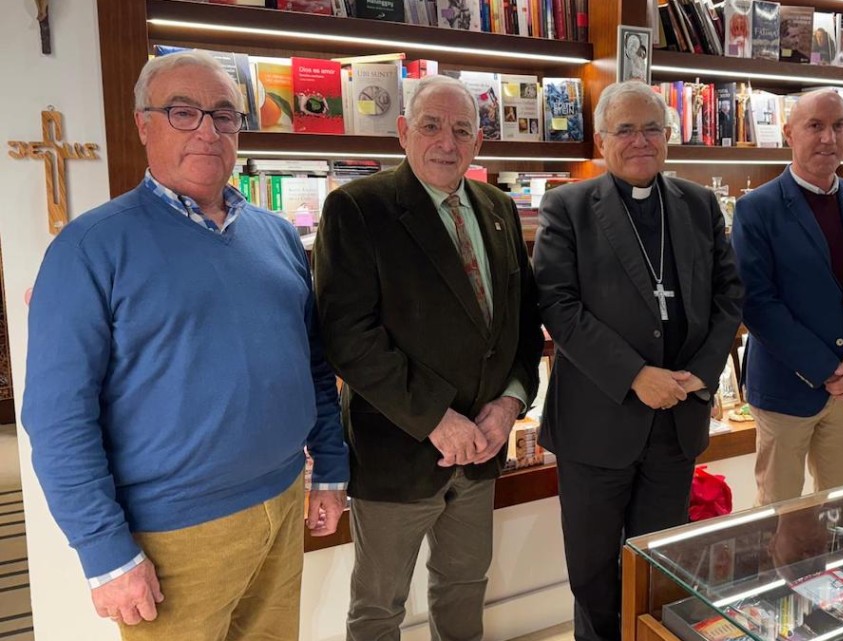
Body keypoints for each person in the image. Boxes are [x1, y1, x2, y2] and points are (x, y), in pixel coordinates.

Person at [21, 50, 349, 639]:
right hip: (173, 537)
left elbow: (312, 366)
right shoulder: (90, 247)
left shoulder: (274, 234)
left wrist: (329, 467)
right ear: (143, 125)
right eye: (182, 112)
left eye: (224, 115)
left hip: (282, 502)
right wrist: (106, 555)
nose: (207, 129)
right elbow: (57, 418)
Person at [312, 74, 543, 641]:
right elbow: (348, 336)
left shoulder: (498, 208)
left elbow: (521, 325)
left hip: (483, 449)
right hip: (398, 451)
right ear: (402, 133)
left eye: (462, 129)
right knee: (378, 606)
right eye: (431, 126)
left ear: (479, 142)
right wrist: (438, 420)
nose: (447, 141)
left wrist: (510, 404)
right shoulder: (356, 209)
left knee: (464, 586)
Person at [532, 80, 743, 641]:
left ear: (669, 137)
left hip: (676, 421)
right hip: (597, 424)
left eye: (652, 128)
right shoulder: (567, 206)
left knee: (659, 567)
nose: (640, 140)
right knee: (595, 574)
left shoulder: (697, 204)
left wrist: (701, 371)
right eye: (625, 129)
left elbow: (729, 294)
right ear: (602, 141)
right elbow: (557, 303)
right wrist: (634, 376)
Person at [732, 89, 843, 507]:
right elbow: (757, 303)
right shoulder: (757, 208)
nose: (829, 138)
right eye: (816, 126)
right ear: (789, 133)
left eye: (839, 126)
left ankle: (835, 577)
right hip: (787, 388)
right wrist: (827, 368)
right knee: (777, 512)